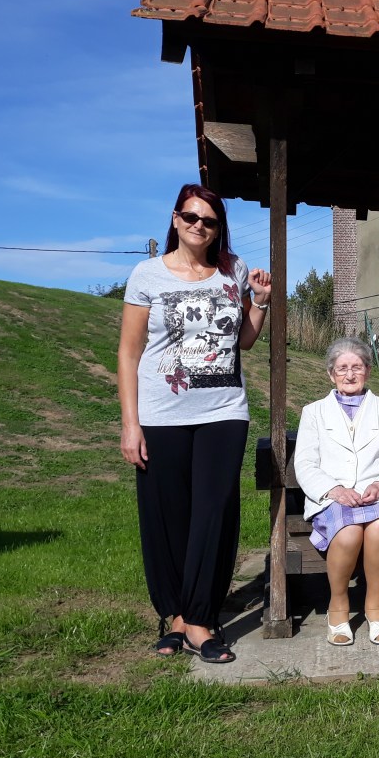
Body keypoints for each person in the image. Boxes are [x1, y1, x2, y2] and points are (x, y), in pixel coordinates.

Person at [118, 183, 272, 664]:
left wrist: (260, 301)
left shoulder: (234, 270)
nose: (199, 226)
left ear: (218, 228)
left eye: (208, 221)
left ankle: (202, 621)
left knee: (213, 514)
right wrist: (130, 423)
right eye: (191, 217)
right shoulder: (147, 274)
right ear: (175, 218)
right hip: (161, 414)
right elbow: (128, 351)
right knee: (168, 516)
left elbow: (242, 342)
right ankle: (178, 617)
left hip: (223, 412)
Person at [293, 337, 379, 646]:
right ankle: (339, 606)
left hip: (378, 494)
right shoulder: (314, 412)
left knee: (378, 530)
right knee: (347, 533)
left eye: (357, 367)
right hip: (333, 497)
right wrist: (333, 489)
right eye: (342, 368)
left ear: (368, 371)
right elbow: (305, 462)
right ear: (331, 374)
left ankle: (375, 608)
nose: (350, 375)